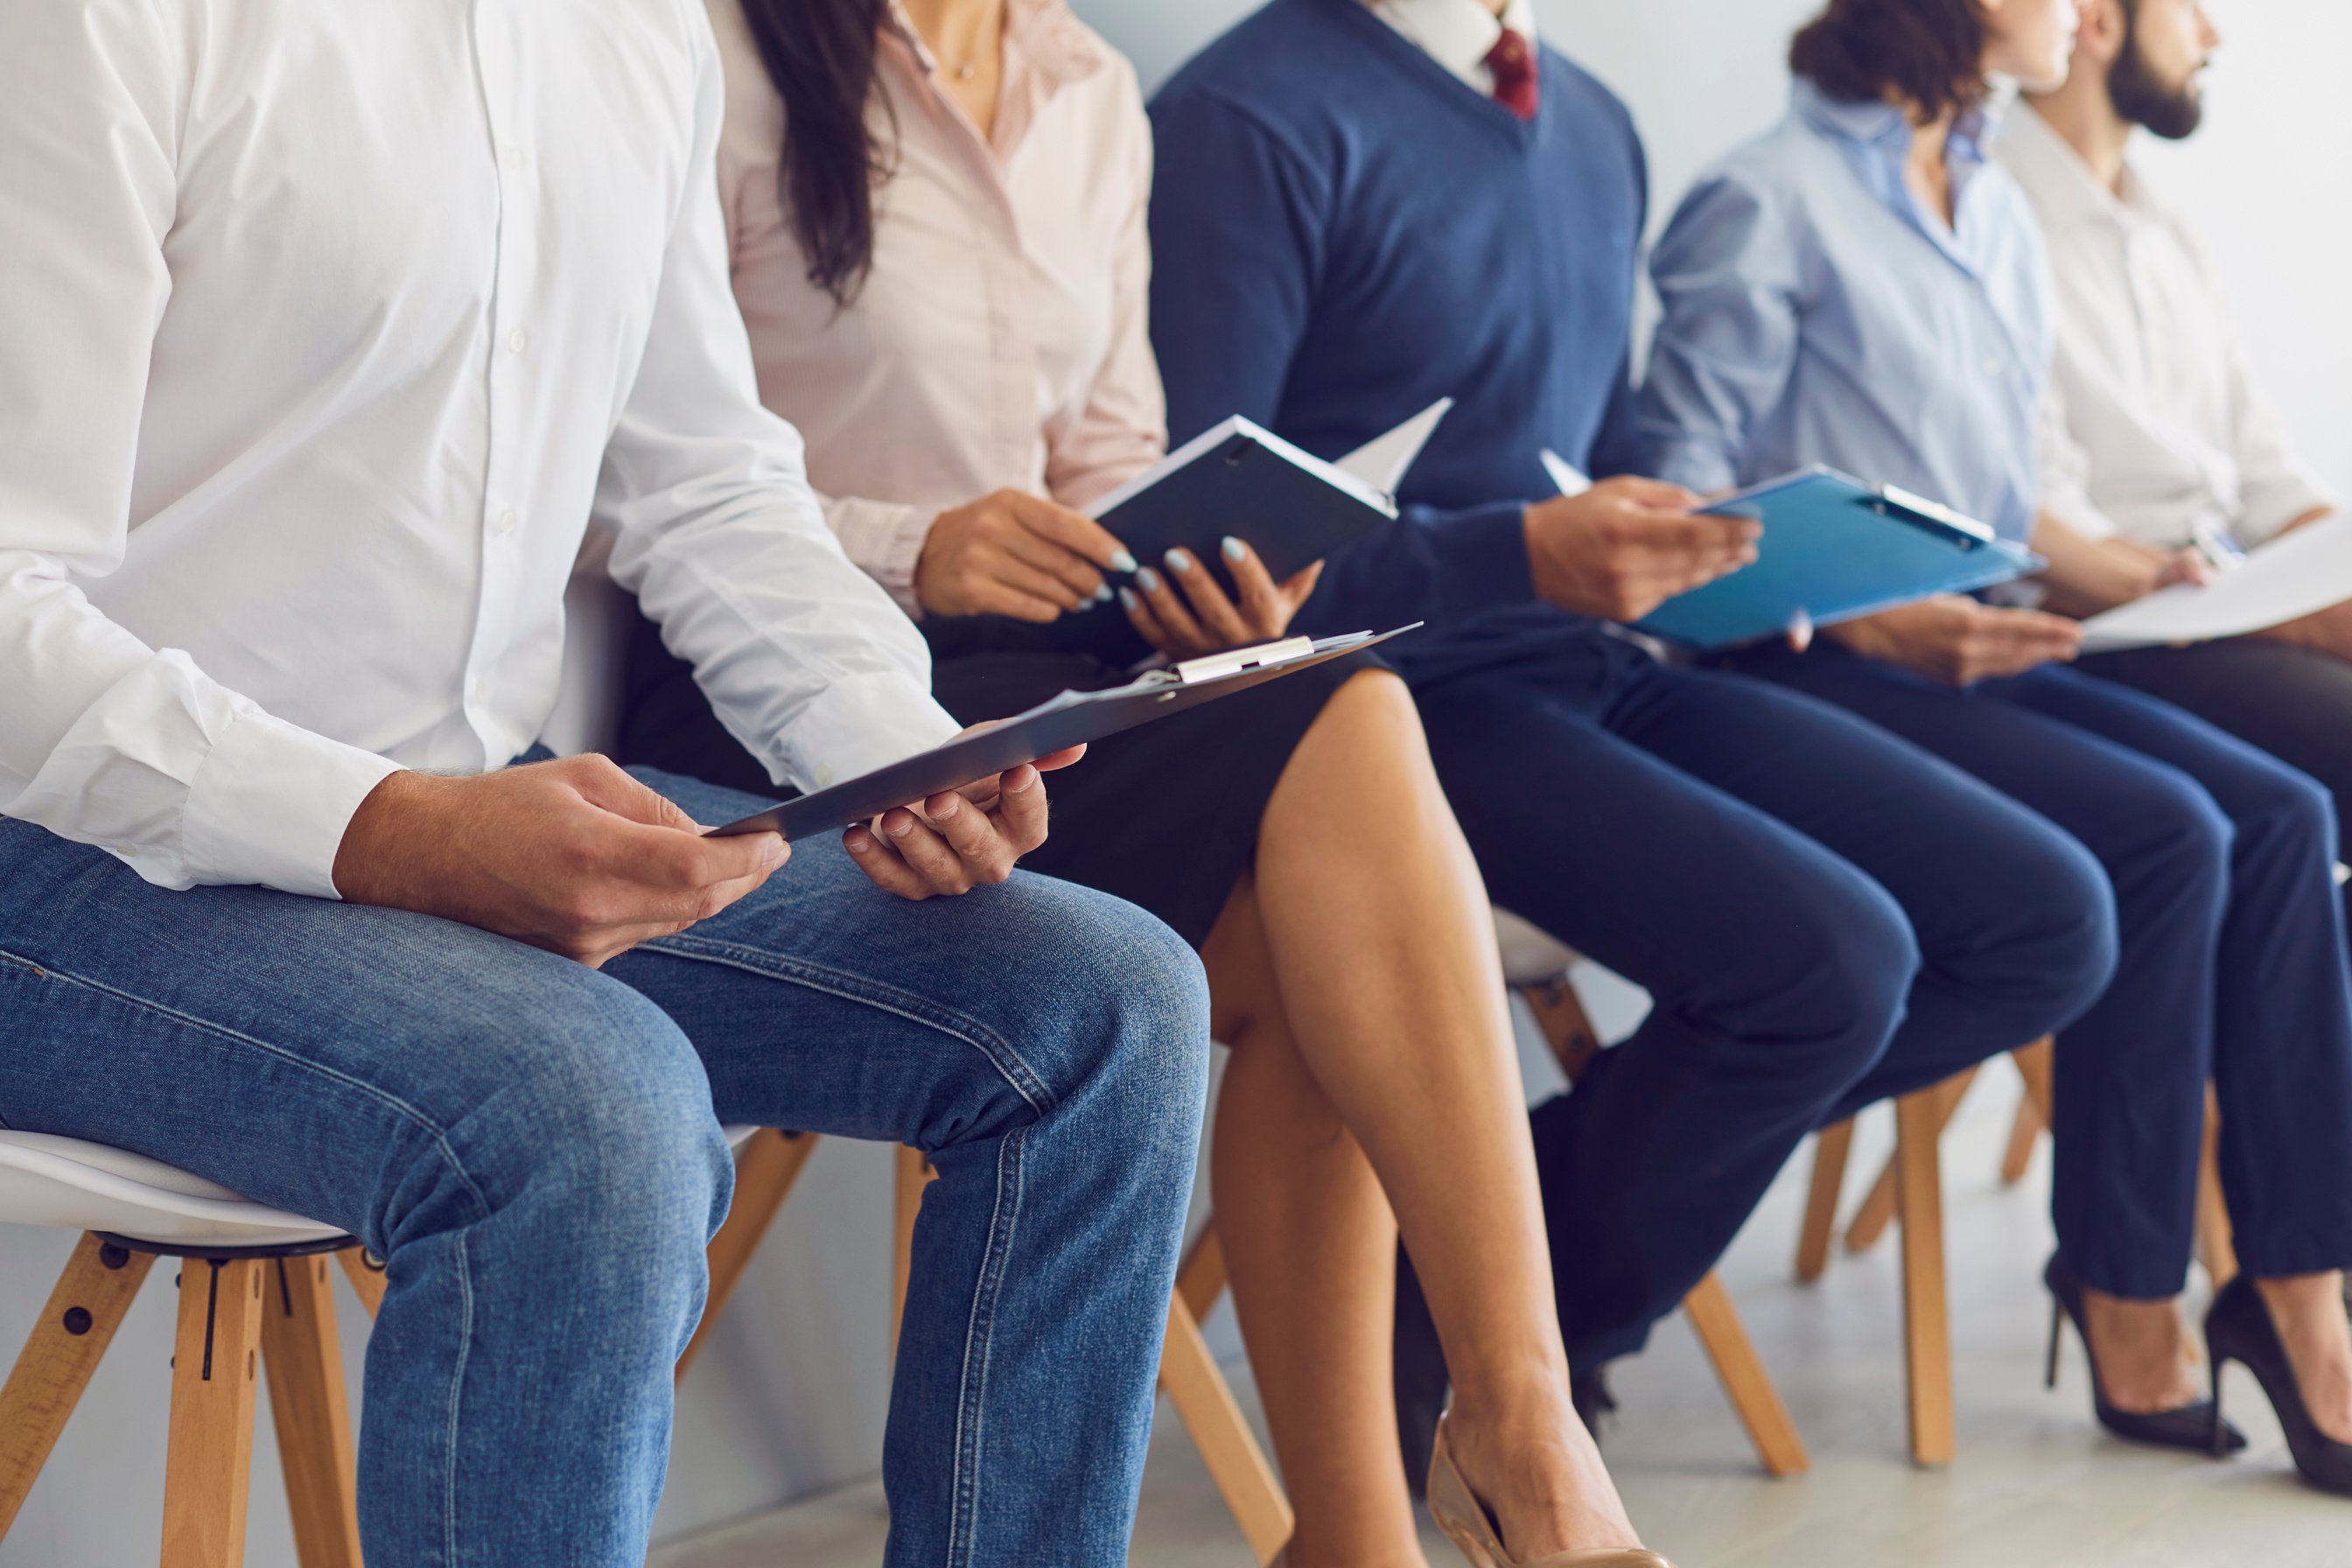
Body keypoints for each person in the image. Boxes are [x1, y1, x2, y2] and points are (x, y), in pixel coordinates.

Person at [0, 5, 1220, 1565]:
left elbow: (702, 479)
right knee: (590, 1112)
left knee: (1101, 1003)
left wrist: (882, 745)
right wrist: (394, 833)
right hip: (60, 850)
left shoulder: (629, 32)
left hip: (462, 798)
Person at [619, 2, 1670, 1563]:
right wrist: (923, 542)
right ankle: (1496, 1447)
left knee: (1329, 865)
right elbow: (629, 466)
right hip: (764, 685)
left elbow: (1111, 446)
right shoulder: (714, 52)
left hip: (1028, 669)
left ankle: (1391, 1506)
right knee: (1351, 737)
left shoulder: (1087, 83)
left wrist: (1194, 564)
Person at [1144, 0, 2118, 1514]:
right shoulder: (1248, 115)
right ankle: (1504, 1369)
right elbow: (1206, 554)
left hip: (1589, 658)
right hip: (1380, 715)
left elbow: (1579, 462)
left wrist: (1725, 563)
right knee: (1835, 960)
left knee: (2046, 914)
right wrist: (1515, 552)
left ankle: (1454, 1292)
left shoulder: (1589, 121)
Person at [1640, 0, 2352, 1496]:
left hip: (1972, 650)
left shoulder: (1988, 212)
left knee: (2275, 816)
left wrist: (2129, 582)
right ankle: (2122, 1284)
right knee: (2175, 835)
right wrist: (1856, 623)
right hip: (1823, 667)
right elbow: (1668, 516)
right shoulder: (1770, 195)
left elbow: (2002, 514)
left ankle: (2295, 1287)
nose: (2086, 11)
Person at [1997, 0, 2352, 926]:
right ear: (2100, 22)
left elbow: (2269, 479)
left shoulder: (2167, 235)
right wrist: (2292, 618)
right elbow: (2033, 519)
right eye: (2190, 6)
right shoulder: (1992, 220)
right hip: (2114, 631)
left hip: (2225, 595)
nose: (2213, 36)